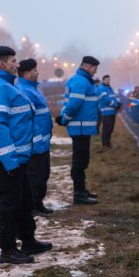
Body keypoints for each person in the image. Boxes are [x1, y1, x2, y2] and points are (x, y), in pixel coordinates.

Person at [0, 46, 52, 264]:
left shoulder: (9, 86)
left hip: (20, 159)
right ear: (2, 64)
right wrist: (9, 160)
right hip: (7, 161)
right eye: (13, 60)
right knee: (9, 205)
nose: (16, 64)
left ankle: (28, 241)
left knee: (24, 202)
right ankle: (8, 250)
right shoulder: (0, 88)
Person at [57, 56, 100, 205]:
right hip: (80, 127)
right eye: (95, 68)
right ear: (88, 67)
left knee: (82, 160)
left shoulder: (81, 80)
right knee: (80, 161)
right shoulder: (81, 81)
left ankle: (81, 190)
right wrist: (64, 119)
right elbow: (74, 104)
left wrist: (64, 118)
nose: (96, 71)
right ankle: (79, 193)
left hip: (82, 127)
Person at [16, 58, 54, 215]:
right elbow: (29, 121)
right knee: (34, 177)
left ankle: (38, 203)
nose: (38, 73)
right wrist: (37, 141)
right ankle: (31, 207)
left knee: (44, 174)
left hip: (43, 142)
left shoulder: (35, 89)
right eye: (35, 70)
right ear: (26, 74)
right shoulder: (23, 91)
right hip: (35, 144)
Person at [97, 75, 120, 148]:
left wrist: (119, 102)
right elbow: (106, 99)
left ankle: (108, 144)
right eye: (106, 80)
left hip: (112, 112)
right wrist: (116, 104)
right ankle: (106, 144)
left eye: (109, 80)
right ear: (103, 80)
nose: (108, 81)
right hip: (106, 112)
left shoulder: (110, 89)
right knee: (107, 129)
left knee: (110, 129)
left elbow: (115, 97)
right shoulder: (101, 88)